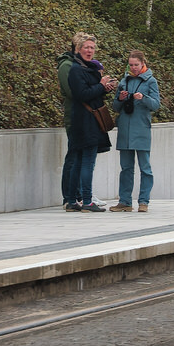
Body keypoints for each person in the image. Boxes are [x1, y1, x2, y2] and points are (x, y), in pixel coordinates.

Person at [56, 32, 116, 212]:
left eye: (92, 48)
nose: (89, 50)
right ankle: (87, 200)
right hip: (84, 121)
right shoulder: (75, 69)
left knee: (80, 160)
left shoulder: (86, 68)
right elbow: (82, 94)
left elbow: (91, 92)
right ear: (78, 49)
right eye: (86, 47)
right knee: (86, 161)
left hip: (84, 120)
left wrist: (104, 88)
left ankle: (73, 200)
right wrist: (100, 85)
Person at [111, 51, 160, 212]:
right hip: (125, 129)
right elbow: (115, 107)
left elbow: (156, 105)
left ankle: (144, 201)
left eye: (136, 65)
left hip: (141, 129)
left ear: (142, 63)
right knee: (126, 168)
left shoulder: (151, 81)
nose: (134, 68)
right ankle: (125, 201)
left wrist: (143, 97)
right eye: (131, 65)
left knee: (145, 167)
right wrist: (120, 98)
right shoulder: (124, 81)